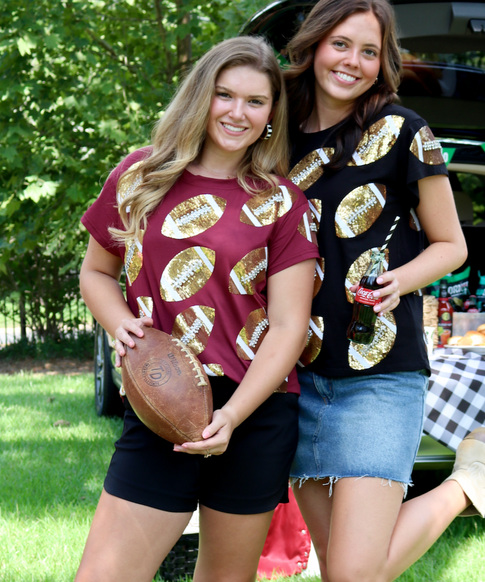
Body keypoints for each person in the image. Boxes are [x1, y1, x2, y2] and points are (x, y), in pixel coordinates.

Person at [282, 0, 485, 582]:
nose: (351, 61)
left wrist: (400, 280)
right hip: (294, 375)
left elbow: (452, 245)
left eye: (369, 51)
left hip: (379, 373)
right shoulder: (277, 134)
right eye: (340, 44)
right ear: (315, 45)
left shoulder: (403, 129)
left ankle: (472, 478)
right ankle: (475, 475)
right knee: (337, 572)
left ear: (383, 62)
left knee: (352, 575)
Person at [75, 36, 319, 582]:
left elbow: (288, 326)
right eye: (225, 95)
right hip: (162, 396)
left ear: (272, 114)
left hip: (253, 411)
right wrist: (124, 327)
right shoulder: (140, 175)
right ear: (200, 96)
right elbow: (95, 273)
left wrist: (231, 417)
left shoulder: (282, 202)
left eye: (255, 102)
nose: (238, 112)